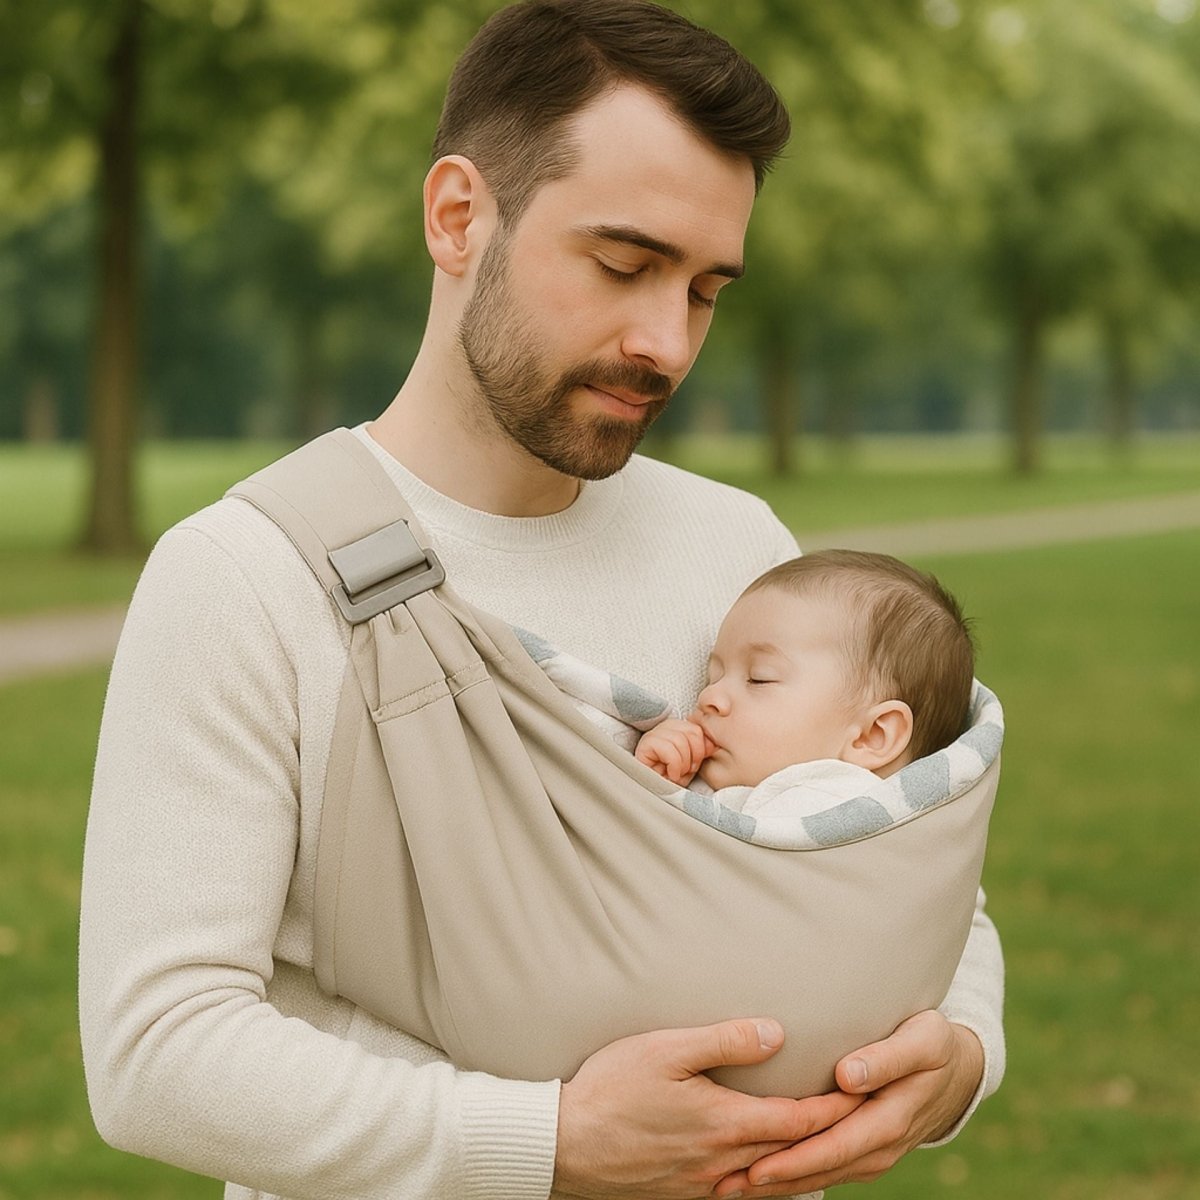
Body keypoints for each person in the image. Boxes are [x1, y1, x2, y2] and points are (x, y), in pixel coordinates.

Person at [78, 3, 1005, 1198]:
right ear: (459, 216)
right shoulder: (249, 578)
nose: (666, 343)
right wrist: (548, 1140)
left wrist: (960, 1054)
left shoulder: (740, 548)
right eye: (624, 265)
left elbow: (906, 872)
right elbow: (157, 1052)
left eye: (707, 290)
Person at [634, 550, 975, 807]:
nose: (709, 696)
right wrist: (660, 782)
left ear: (872, 736)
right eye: (714, 676)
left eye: (759, 678)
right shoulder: (746, 788)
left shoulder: (831, 803)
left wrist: (652, 798)